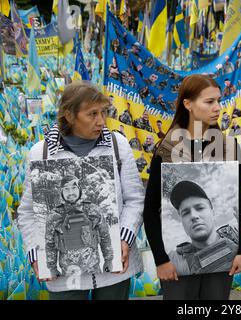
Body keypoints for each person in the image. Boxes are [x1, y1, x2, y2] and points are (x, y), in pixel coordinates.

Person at [17, 81, 145, 300]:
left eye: (103, 112)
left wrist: (124, 238)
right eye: (92, 114)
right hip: (64, 272)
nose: (101, 121)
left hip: (113, 267)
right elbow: (28, 212)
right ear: (69, 115)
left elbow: (134, 199)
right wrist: (36, 255)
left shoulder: (117, 144)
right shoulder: (42, 152)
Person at [143, 74, 241, 300]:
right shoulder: (167, 148)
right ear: (188, 104)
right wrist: (161, 259)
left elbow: (238, 202)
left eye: (219, 101)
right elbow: (151, 209)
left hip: (222, 266)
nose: (218, 108)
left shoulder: (228, 146)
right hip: (176, 269)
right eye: (209, 102)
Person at [45, 175, 114, 277]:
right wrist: (52, 268)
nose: (71, 192)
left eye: (74, 188)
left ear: (79, 189)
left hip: (93, 271)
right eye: (66, 189)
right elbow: (50, 244)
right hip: (68, 274)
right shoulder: (54, 216)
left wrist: (108, 260)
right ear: (61, 192)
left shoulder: (93, 210)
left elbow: (105, 236)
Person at [168, 181, 239, 276]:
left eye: (200, 208)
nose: (193, 216)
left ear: (212, 212)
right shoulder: (177, 261)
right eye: (186, 213)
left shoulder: (237, 236)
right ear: (181, 220)